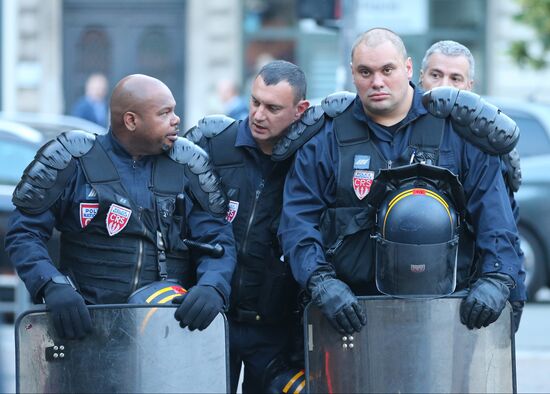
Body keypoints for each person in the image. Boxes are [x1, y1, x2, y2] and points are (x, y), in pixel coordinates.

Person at [279, 28, 522, 336]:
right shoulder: (325, 140)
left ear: (408, 68)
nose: (377, 82)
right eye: (365, 72)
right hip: (350, 317)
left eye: (387, 70)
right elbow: (297, 221)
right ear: (352, 74)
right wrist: (320, 282)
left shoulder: (457, 133)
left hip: (446, 318)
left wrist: (495, 280)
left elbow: (495, 218)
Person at [5, 74, 237, 340]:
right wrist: (50, 284)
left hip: (169, 334)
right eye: (165, 113)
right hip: (84, 328)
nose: (176, 120)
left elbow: (217, 239)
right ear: (131, 121)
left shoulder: (190, 165)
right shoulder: (71, 160)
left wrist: (212, 286)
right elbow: (24, 233)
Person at [186, 60, 310, 393]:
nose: (257, 115)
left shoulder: (309, 158)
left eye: (272, 108)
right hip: (210, 318)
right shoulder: (215, 146)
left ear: (300, 110)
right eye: (255, 102)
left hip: (274, 329)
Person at [419, 39, 526, 332]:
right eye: (436, 75)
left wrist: (503, 290)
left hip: (476, 291)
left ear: (469, 86)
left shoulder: (484, 138)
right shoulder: (403, 126)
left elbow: (501, 226)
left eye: (455, 78)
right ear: (420, 77)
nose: (444, 84)